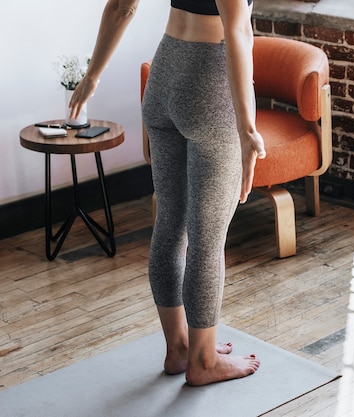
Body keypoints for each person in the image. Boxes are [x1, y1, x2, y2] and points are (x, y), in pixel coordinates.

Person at [68, 0, 265, 386]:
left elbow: (123, 6)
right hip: (210, 82)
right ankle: (204, 360)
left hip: (164, 76)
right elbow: (237, 28)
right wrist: (246, 126)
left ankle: (179, 348)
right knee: (207, 240)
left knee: (171, 225)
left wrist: (93, 75)